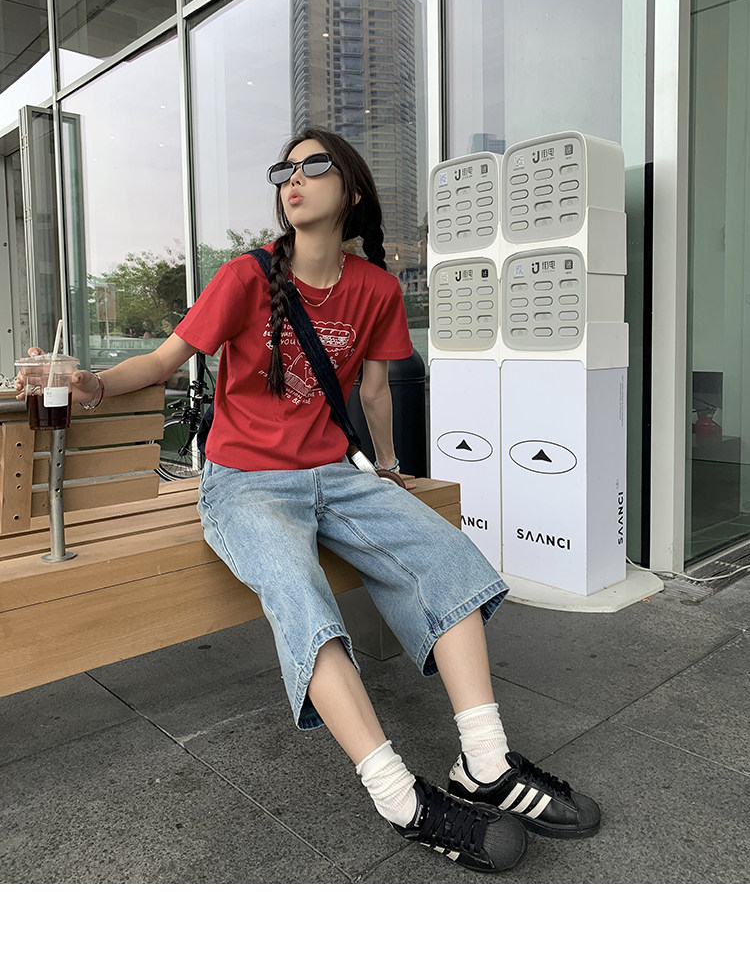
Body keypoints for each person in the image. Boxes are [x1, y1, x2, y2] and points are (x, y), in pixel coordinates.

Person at [20, 128, 600, 875]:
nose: (293, 180)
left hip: (338, 474)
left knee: (446, 553)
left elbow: (374, 390)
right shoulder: (245, 277)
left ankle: (485, 762)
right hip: (244, 483)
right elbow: (165, 360)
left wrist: (388, 468)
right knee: (301, 594)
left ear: (350, 190)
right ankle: (398, 796)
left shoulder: (377, 289)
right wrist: (92, 383)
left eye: (313, 166)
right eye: (284, 171)